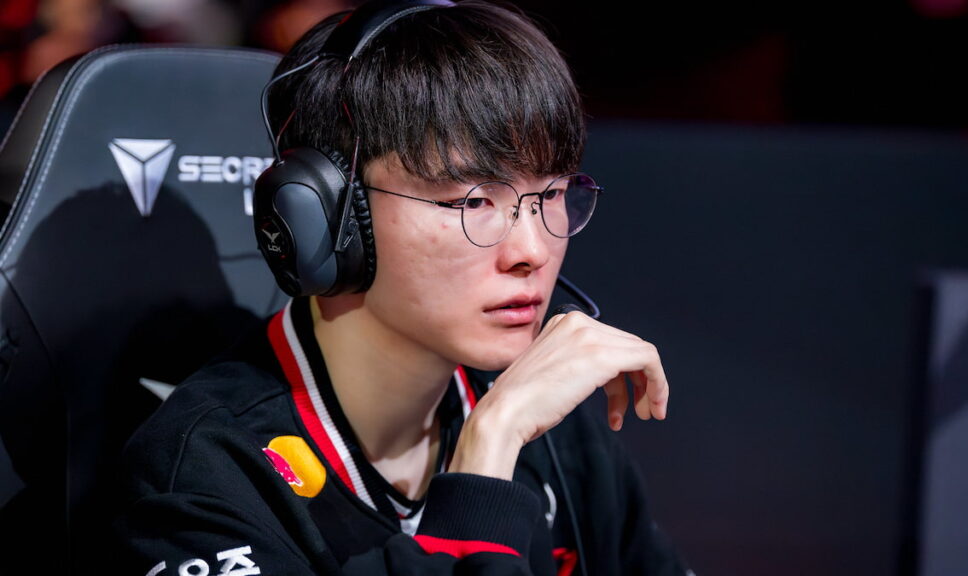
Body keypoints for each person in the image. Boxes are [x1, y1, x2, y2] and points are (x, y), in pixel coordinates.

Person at [116, 1, 690, 574]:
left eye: (551, 194)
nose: (532, 251)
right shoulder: (206, 471)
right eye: (472, 201)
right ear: (329, 219)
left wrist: (504, 421)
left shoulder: (549, 416)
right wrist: (486, 458)